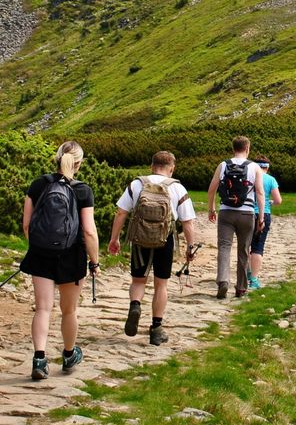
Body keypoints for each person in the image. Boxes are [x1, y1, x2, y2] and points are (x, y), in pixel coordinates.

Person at [20, 141, 100, 381]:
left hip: (41, 253)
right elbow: (89, 232)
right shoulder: (83, 190)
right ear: (79, 163)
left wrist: (38, 245)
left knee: (43, 307)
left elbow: (27, 224)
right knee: (69, 310)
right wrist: (94, 261)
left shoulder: (38, 185)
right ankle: (68, 354)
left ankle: (39, 358)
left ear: (56, 159)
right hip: (72, 255)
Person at [107, 151, 197, 346]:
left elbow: (121, 212)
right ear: (171, 168)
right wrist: (190, 247)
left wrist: (114, 239)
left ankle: (135, 305)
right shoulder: (178, 188)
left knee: (138, 280)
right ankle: (156, 328)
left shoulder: (137, 184)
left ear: (151, 165)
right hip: (165, 240)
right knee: (161, 284)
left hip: (140, 239)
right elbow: (188, 223)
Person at [207, 137, 265, 299]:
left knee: (224, 247)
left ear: (233, 148)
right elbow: (260, 192)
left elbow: (211, 189)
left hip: (226, 212)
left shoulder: (223, 165)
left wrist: (211, 208)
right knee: (243, 250)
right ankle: (241, 288)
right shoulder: (254, 167)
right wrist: (261, 217)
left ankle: (223, 281)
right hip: (247, 213)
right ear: (247, 148)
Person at [248, 156, 283, 290]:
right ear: (267, 168)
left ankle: (246, 273)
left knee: (246, 246)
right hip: (264, 214)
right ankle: (254, 279)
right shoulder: (270, 180)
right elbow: (278, 200)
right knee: (258, 247)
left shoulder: (249, 177)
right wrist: (271, 202)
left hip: (247, 213)